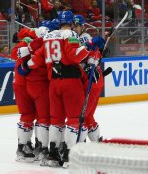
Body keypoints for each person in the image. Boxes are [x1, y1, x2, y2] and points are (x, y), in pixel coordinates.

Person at [26, 11, 100, 167]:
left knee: (56, 120)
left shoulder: (48, 36)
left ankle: (52, 156)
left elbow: (33, 62)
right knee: (74, 118)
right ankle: (68, 156)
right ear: (72, 23)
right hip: (70, 81)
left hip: (53, 83)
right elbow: (75, 55)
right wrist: (90, 50)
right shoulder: (70, 34)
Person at [11, 26, 49, 163]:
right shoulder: (30, 40)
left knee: (32, 116)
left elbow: (15, 54)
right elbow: (14, 54)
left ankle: (24, 147)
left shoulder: (30, 39)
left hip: (25, 82)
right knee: (38, 116)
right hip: (29, 83)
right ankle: (38, 147)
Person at [73, 14, 106, 143]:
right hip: (89, 81)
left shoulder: (85, 38)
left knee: (83, 115)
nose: (75, 29)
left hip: (91, 81)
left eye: (77, 26)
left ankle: (79, 145)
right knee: (88, 116)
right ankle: (97, 141)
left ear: (82, 26)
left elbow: (93, 56)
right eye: (73, 26)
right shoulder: (73, 37)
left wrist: (94, 62)